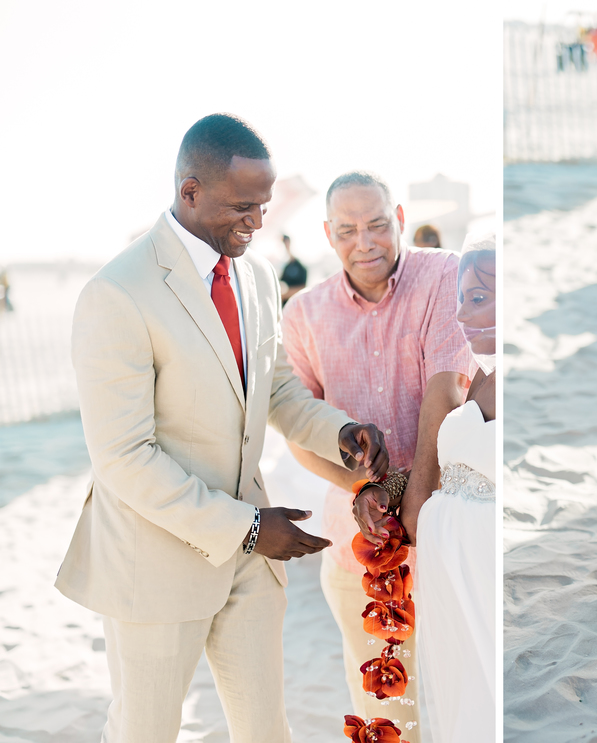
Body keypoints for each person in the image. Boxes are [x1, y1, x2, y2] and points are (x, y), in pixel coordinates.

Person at [55, 114, 389, 742]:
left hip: (250, 563)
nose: (258, 223)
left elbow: (278, 388)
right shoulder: (116, 294)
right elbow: (123, 458)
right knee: (144, 733)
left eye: (263, 206)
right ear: (190, 192)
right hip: (152, 563)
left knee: (266, 731)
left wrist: (341, 433)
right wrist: (252, 528)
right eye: (243, 207)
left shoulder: (257, 276)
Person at [281, 171, 474, 739]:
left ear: (400, 220)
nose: (363, 242)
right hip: (356, 549)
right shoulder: (302, 317)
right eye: (346, 230)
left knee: (462, 699)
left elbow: (448, 385)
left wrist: (415, 498)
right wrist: (362, 490)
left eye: (375, 225)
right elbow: (297, 433)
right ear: (326, 233)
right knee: (387, 710)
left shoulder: (444, 274)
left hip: (444, 530)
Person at [403, 232, 496, 742]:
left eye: (479, 298)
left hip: (480, 566)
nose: (462, 314)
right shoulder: (478, 376)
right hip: (453, 568)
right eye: (460, 299)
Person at [279, 234, 308, 306]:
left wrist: (285, 294)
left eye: (285, 242)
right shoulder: (285, 267)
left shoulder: (299, 266)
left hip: (297, 307)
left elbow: (303, 288)